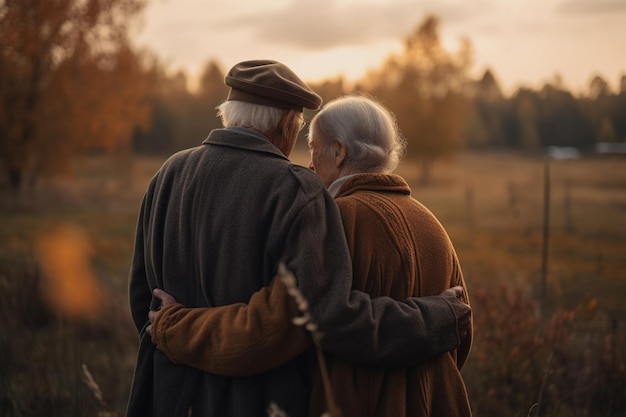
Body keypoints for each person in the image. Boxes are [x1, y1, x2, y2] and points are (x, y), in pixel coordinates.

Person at [126, 60, 471, 417]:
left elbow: (142, 300)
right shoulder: (296, 190)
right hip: (254, 401)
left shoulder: (166, 175)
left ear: (229, 113)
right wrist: (434, 321)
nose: (305, 157)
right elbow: (293, 323)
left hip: (166, 395)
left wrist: (171, 331)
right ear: (287, 122)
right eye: (302, 132)